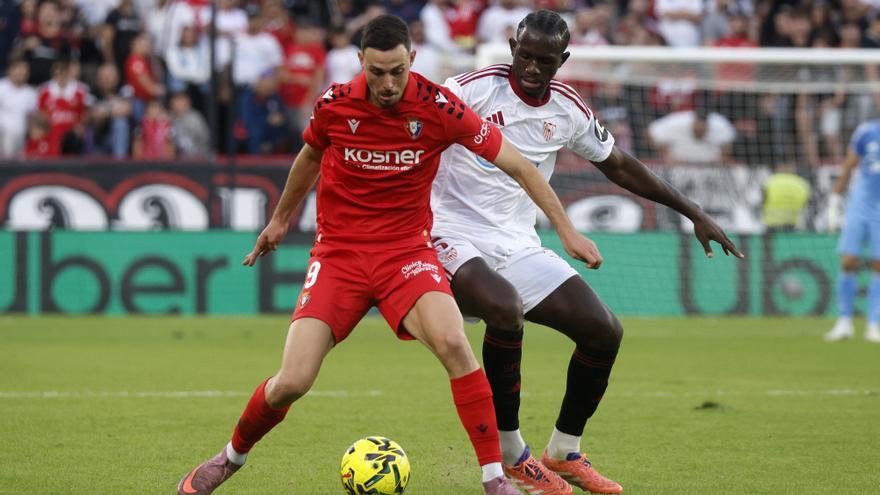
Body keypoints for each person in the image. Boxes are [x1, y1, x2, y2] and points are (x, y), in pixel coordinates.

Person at [176, 14, 603, 495]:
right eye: (376, 72)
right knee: (292, 381)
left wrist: (565, 228)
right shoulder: (334, 104)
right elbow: (310, 156)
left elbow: (519, 164)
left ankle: (495, 481)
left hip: (407, 255)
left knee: (456, 345)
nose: (387, 84)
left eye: (397, 71)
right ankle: (229, 459)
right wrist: (279, 220)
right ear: (361, 61)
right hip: (340, 257)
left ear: (412, 60)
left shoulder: (440, 106)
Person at [431, 10, 744, 495]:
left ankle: (563, 452)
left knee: (603, 332)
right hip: (451, 232)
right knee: (504, 309)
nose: (532, 68)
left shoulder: (568, 109)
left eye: (545, 60)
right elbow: (413, 134)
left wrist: (692, 210)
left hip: (516, 241)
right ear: (512, 47)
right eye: (525, 55)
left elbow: (617, 165)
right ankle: (513, 457)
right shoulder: (467, 90)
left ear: (563, 60)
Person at [825, 118, 880, 343]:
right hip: (860, 204)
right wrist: (834, 201)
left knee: (878, 264)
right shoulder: (866, 131)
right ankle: (844, 322)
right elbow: (849, 166)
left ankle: (873, 323)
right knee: (848, 261)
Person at [761, 163, 811, 233]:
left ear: (778, 167)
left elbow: (761, 201)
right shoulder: (802, 183)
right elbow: (806, 203)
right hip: (793, 224)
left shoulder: (769, 182)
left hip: (772, 224)